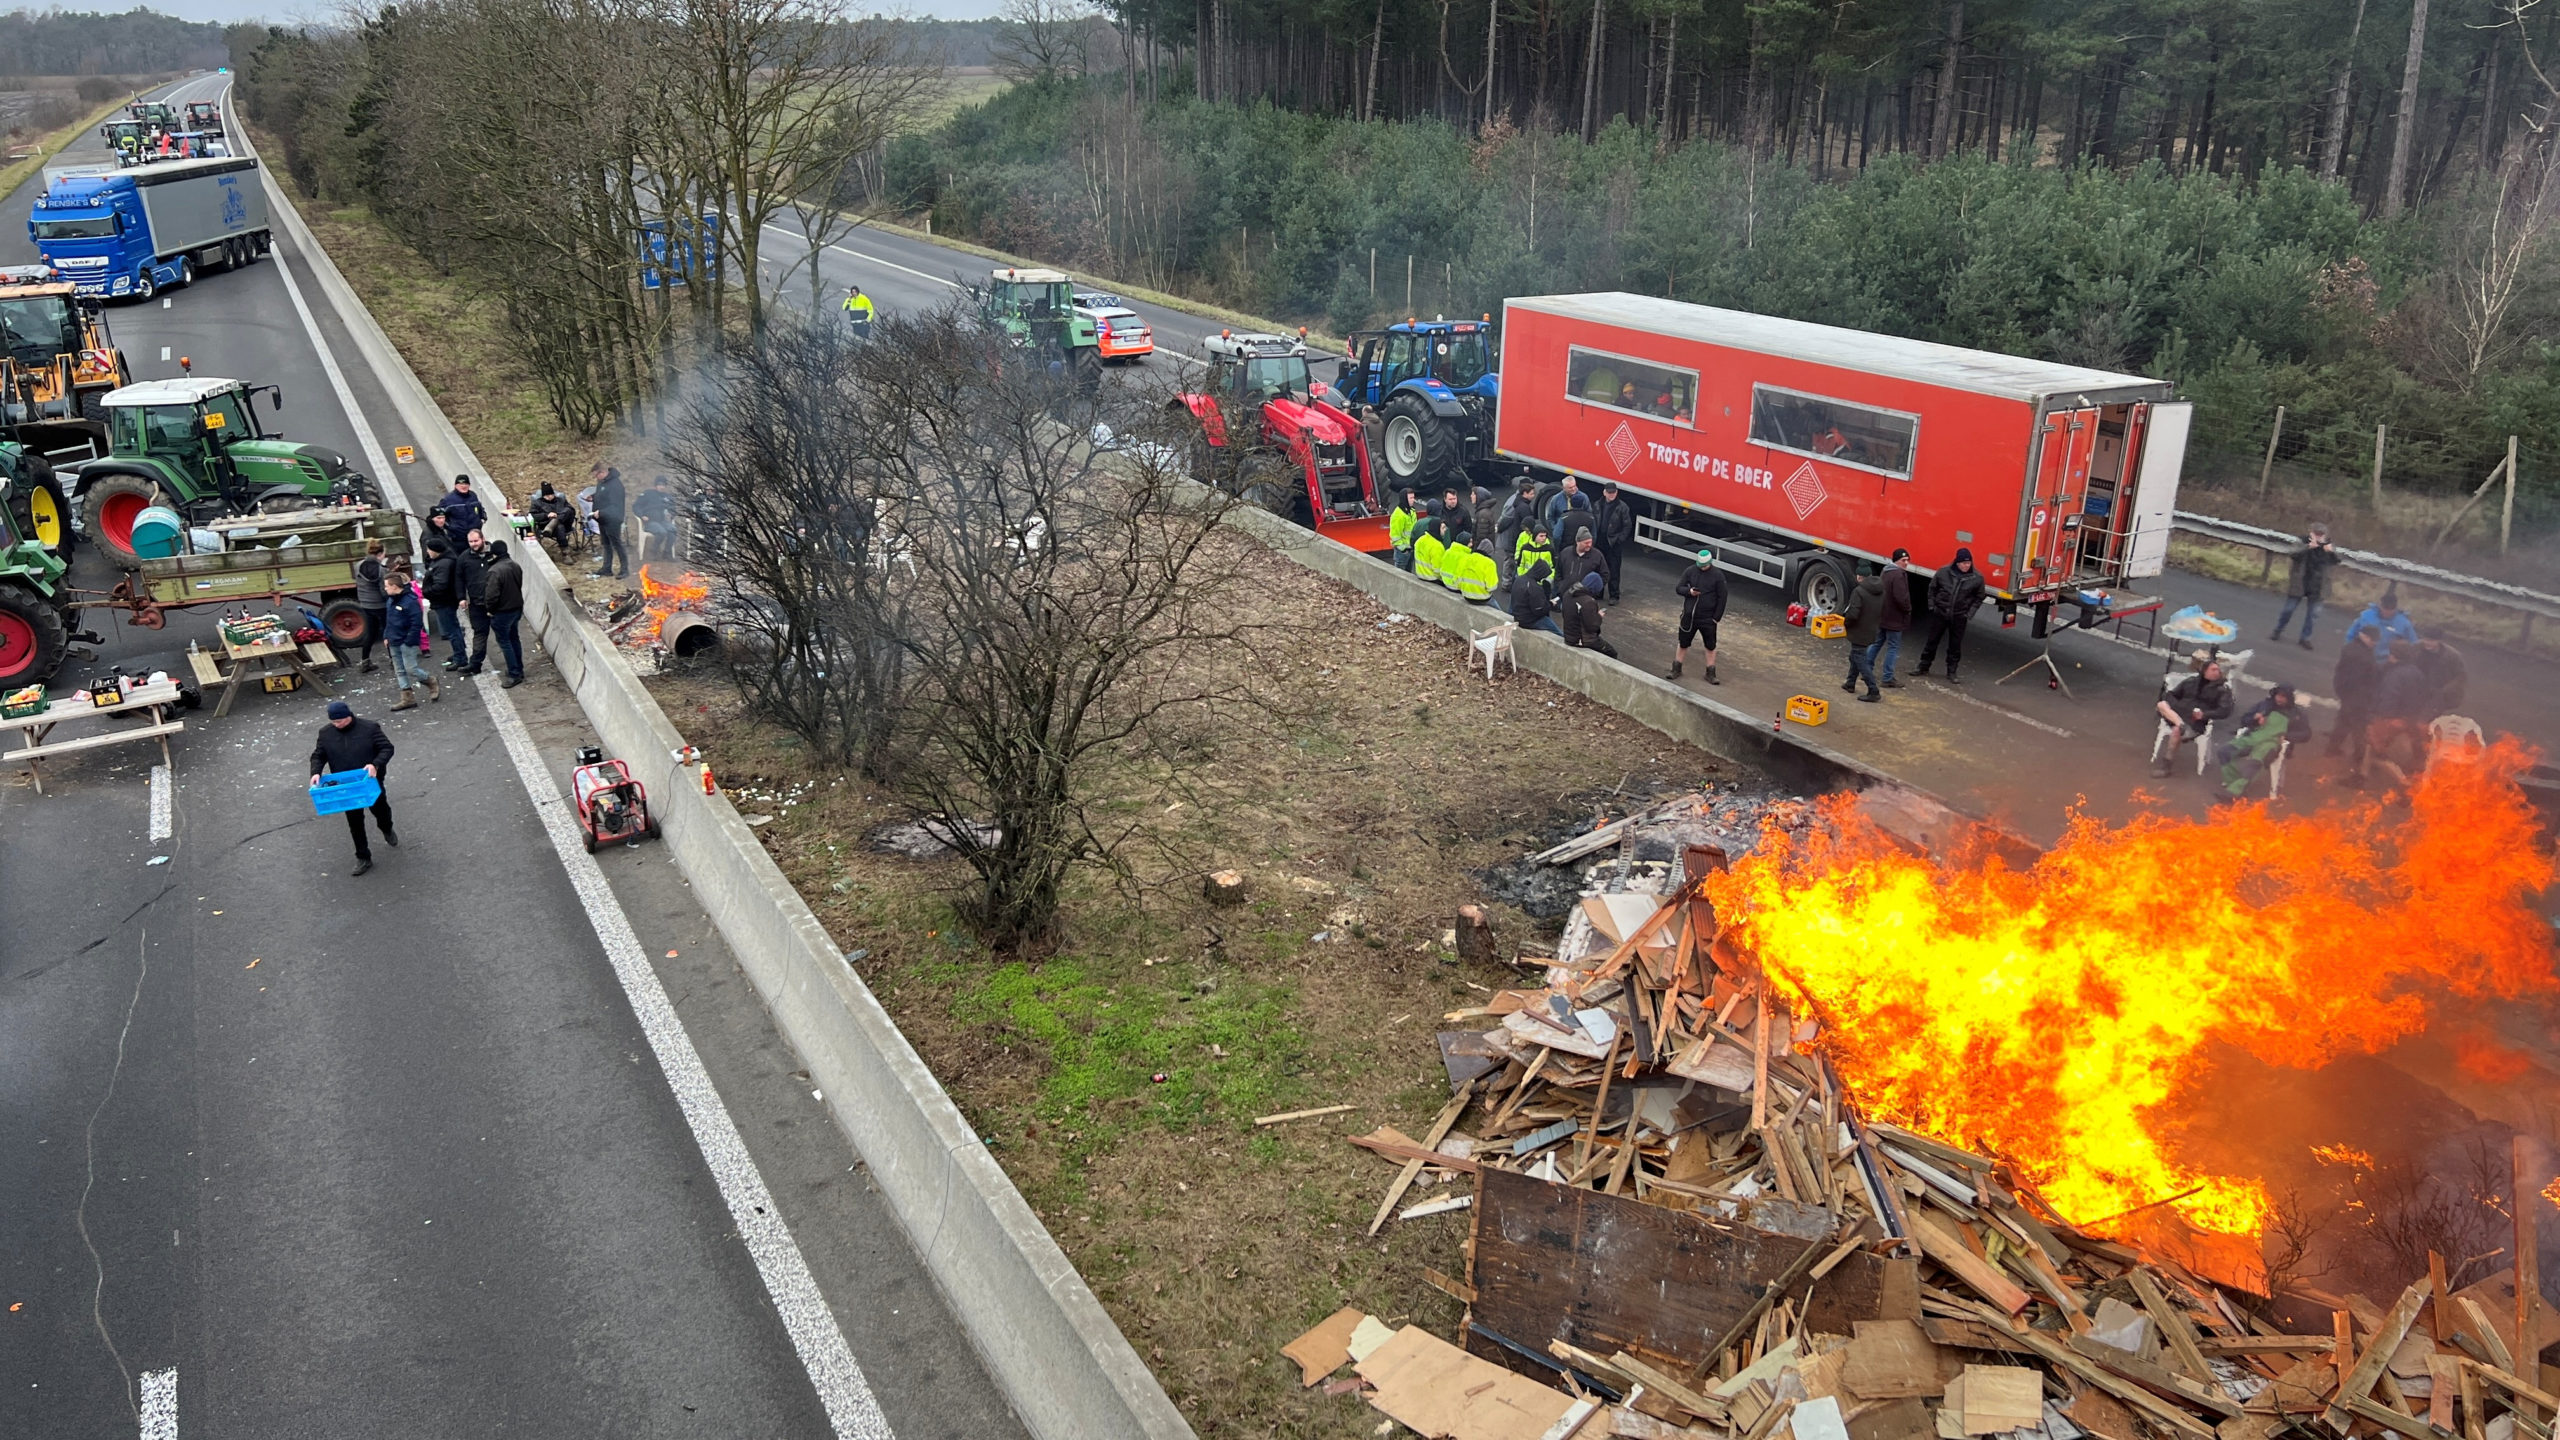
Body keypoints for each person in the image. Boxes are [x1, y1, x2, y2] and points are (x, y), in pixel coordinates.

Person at [310, 699, 396, 877]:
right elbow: (318, 755)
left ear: (349, 716)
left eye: (339, 721)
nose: (336, 725)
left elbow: (386, 748)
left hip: (370, 782)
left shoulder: (370, 728)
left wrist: (375, 764)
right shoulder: (326, 733)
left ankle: (386, 828)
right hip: (346, 786)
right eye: (333, 722)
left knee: (381, 811)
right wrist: (316, 772)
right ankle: (363, 856)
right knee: (355, 822)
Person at [2150, 658, 2234, 776]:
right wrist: (2178, 706)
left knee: (2176, 731)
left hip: (2195, 723)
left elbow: (2225, 711)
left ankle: (2166, 767)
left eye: (2218, 670)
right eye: (2213, 670)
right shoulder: (2191, 682)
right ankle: (2180, 723)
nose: (2217, 672)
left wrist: (2204, 715)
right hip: (2177, 716)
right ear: (2205, 671)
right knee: (2161, 705)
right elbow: (2171, 695)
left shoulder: (2222, 690)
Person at [1913, 547, 1986, 684]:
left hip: (1959, 616)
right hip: (1940, 613)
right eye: (1964, 563)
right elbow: (1932, 589)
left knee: (1955, 645)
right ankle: (1923, 666)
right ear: (1957, 562)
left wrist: (1968, 614)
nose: (1966, 565)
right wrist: (1932, 606)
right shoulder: (1943, 572)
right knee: (1932, 641)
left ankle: (1952, 671)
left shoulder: (1977, 578)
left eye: (1968, 563)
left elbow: (1979, 597)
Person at [2216, 685, 2302, 800]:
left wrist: (2287, 736)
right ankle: (2236, 784)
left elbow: (2306, 734)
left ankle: (2233, 793)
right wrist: (2255, 719)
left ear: (2289, 699)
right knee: (2224, 752)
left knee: (2255, 763)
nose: (2279, 699)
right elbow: (2244, 719)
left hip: (2270, 744)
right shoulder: (2264, 705)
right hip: (2252, 738)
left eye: (2283, 697)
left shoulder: (2295, 714)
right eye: (2278, 695)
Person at [382, 559, 438, 709]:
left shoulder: (410, 601)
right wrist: (386, 635)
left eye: (387, 586)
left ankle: (430, 680)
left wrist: (409, 641)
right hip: (394, 640)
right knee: (399, 670)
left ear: (395, 586)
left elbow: (416, 623)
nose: (385, 589)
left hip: (406, 642)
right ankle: (408, 698)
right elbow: (389, 620)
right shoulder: (391, 601)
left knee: (410, 669)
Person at [2271, 523, 2337, 647]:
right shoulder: (2302, 541)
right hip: (2300, 582)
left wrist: (2330, 552)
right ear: (2310, 532)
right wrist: (2308, 547)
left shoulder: (2329, 545)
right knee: (2288, 609)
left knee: (2313, 615)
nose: (2318, 537)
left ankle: (2305, 638)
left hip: (2318, 585)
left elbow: (2336, 561)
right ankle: (2278, 630)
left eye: (2320, 534)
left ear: (2325, 535)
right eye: (2316, 534)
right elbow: (2292, 554)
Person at [1668, 547, 1726, 684]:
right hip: (1690, 615)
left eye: (1705, 566)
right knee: (1683, 642)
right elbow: (1679, 588)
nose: (1702, 568)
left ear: (1710, 563)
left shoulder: (1718, 576)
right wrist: (1689, 591)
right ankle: (1676, 668)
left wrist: (1716, 618)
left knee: (1710, 645)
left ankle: (1710, 673)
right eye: (1700, 566)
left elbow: (1722, 597)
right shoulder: (1690, 571)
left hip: (1708, 618)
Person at [2328, 630, 2380, 761]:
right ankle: (2359, 755)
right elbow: (2359, 678)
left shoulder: (2352, 648)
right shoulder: (2361, 656)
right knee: (2358, 727)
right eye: (2372, 639)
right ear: (2363, 636)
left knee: (2343, 721)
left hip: (2349, 694)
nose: (2374, 643)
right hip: (2357, 697)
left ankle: (2332, 749)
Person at [481, 538, 527, 687]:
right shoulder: (515, 566)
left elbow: (491, 596)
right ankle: (519, 669)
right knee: (514, 639)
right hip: (516, 608)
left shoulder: (494, 571)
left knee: (505, 642)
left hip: (502, 612)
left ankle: (514, 673)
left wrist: (490, 610)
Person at [422, 534, 469, 670]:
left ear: (435, 551)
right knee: (453, 629)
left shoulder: (443, 564)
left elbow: (440, 585)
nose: (428, 552)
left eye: (429, 550)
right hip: (445, 601)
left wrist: (427, 591)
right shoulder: (444, 561)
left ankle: (460, 658)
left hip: (444, 601)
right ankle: (458, 654)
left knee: (452, 631)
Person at [1840, 568, 1885, 702]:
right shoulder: (1881, 590)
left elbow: (1853, 614)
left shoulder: (1859, 591)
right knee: (1855, 655)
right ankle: (1850, 683)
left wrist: (1846, 623)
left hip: (1859, 630)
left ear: (1859, 577)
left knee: (1859, 658)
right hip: (1871, 629)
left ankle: (1873, 690)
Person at [1877, 547, 1914, 688]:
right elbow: (1901, 597)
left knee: (1877, 643)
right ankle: (1887, 677)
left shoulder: (1886, 572)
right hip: (1894, 618)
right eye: (1903, 560)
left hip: (1883, 616)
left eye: (1907, 560)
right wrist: (1908, 609)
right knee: (1893, 647)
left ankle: (1865, 669)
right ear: (1896, 561)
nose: (1906, 563)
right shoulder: (1899, 575)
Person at [2342, 590, 2417, 660]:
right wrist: (2350, 651)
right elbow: (2351, 634)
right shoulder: (2366, 616)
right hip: (2361, 657)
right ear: (2380, 606)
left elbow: (2413, 644)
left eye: (2391, 609)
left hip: (2385, 661)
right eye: (2385, 608)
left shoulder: (2404, 624)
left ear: (2395, 608)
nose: (2387, 612)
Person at [459, 529, 495, 675]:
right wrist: (461, 597)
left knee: (504, 636)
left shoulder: (494, 555)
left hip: (496, 603)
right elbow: (459, 578)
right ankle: (475, 663)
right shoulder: (464, 558)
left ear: (483, 539)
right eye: (471, 542)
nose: (473, 544)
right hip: (476, 603)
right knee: (479, 633)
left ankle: (514, 667)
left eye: (476, 541)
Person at [1560, 571, 1618, 657]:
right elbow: (1592, 626)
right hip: (1582, 640)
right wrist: (1598, 616)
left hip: (1568, 636)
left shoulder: (1568, 594)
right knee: (1611, 652)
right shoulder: (1588, 601)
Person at [352, 537, 388, 673]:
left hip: (366, 604)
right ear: (381, 554)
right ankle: (394, 660)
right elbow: (383, 591)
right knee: (388, 632)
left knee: (370, 633)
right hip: (380, 605)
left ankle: (365, 661)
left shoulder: (358, 565)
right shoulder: (381, 570)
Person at [1594, 483, 1635, 602]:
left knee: (1614, 570)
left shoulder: (1622, 507)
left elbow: (1627, 526)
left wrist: (1619, 539)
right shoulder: (1597, 505)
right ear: (1604, 492)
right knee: (1598, 568)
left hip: (1613, 543)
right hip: (1599, 542)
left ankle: (1614, 595)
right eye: (1609, 492)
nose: (1612, 495)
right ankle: (1598, 592)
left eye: (1614, 492)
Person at [589, 463, 628, 580]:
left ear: (603, 472)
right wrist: (593, 497)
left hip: (613, 519)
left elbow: (615, 505)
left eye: (597, 475)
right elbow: (603, 496)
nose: (596, 478)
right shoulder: (602, 482)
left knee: (617, 544)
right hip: (603, 519)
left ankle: (624, 569)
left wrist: (601, 512)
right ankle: (607, 568)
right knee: (606, 544)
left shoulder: (615, 484)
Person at [2412, 635, 2467, 711]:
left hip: (2441, 691)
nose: (2428, 643)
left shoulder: (2453, 655)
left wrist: (2444, 691)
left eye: (2432, 640)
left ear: (2440, 641)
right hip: (2420, 689)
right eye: (2426, 639)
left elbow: (2461, 676)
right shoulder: (2416, 648)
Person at [1509, 564, 1562, 634]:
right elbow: (1539, 610)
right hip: (1529, 620)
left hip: (1518, 616)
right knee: (1558, 633)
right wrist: (1550, 604)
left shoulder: (1519, 579)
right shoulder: (1535, 587)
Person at [530, 482, 579, 554]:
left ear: (553, 494)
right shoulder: (537, 503)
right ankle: (566, 554)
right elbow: (533, 515)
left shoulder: (561, 500)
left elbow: (571, 510)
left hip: (566, 524)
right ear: (543, 496)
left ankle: (555, 521)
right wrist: (547, 515)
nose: (549, 496)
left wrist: (558, 515)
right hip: (546, 527)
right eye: (546, 495)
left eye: (550, 494)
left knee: (568, 510)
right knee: (559, 526)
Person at [636, 479, 679, 559]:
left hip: (663, 521)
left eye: (663, 485)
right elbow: (636, 506)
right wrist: (642, 516)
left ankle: (666, 552)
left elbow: (673, 509)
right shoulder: (647, 494)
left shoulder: (668, 497)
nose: (662, 487)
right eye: (659, 485)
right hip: (650, 521)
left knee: (673, 531)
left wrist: (671, 515)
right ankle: (654, 551)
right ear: (655, 486)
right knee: (662, 532)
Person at [435, 474, 487, 538]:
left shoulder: (473, 495)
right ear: (455, 485)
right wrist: (450, 527)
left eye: (466, 484)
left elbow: (479, 508)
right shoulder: (448, 499)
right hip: (457, 538)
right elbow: (438, 514)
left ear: (469, 485)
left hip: (474, 536)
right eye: (461, 484)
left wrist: (483, 517)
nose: (464, 486)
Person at [1514, 525, 1556, 595]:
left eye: (1545, 536)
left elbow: (1553, 567)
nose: (1544, 538)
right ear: (1535, 536)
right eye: (1541, 536)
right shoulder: (1525, 548)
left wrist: (1548, 580)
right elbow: (1520, 565)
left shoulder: (1549, 549)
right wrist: (1522, 578)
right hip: (1526, 583)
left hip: (1543, 585)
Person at [1543, 476, 1588, 542]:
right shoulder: (1556, 499)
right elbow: (1550, 517)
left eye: (1574, 486)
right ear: (1564, 488)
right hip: (1562, 535)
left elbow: (1589, 515)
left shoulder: (1584, 498)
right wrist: (1555, 529)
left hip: (1578, 535)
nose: (1573, 489)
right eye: (1570, 488)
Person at [1388, 489, 1419, 572]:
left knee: (1409, 573)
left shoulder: (1412, 511)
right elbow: (1395, 535)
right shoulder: (1398, 515)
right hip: (1402, 552)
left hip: (1410, 548)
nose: (1413, 500)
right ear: (1404, 499)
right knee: (1400, 575)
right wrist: (1403, 549)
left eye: (1413, 497)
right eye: (1411, 498)